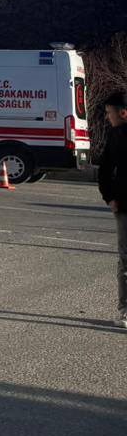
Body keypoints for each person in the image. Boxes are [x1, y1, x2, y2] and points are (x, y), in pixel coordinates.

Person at [97, 91, 127, 328]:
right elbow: (105, 169)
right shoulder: (115, 135)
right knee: (125, 260)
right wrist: (109, 197)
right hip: (123, 205)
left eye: (109, 113)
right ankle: (125, 310)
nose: (107, 117)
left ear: (123, 112)